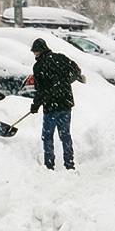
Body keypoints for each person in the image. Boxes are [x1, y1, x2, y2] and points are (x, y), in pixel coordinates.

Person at [29, 38, 84, 170]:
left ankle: (49, 165)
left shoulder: (38, 66)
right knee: (65, 135)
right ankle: (69, 163)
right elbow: (76, 71)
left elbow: (40, 90)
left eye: (35, 52)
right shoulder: (60, 58)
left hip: (50, 106)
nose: (35, 54)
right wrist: (65, 82)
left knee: (47, 136)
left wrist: (36, 105)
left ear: (39, 51)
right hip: (65, 103)